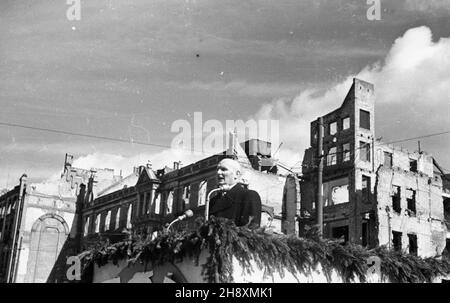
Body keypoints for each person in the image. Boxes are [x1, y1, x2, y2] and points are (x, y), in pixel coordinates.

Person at [208, 158, 262, 228]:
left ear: (236, 174)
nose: (218, 172)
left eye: (224, 169)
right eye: (217, 169)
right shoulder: (212, 201)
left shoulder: (249, 196)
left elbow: (252, 229)